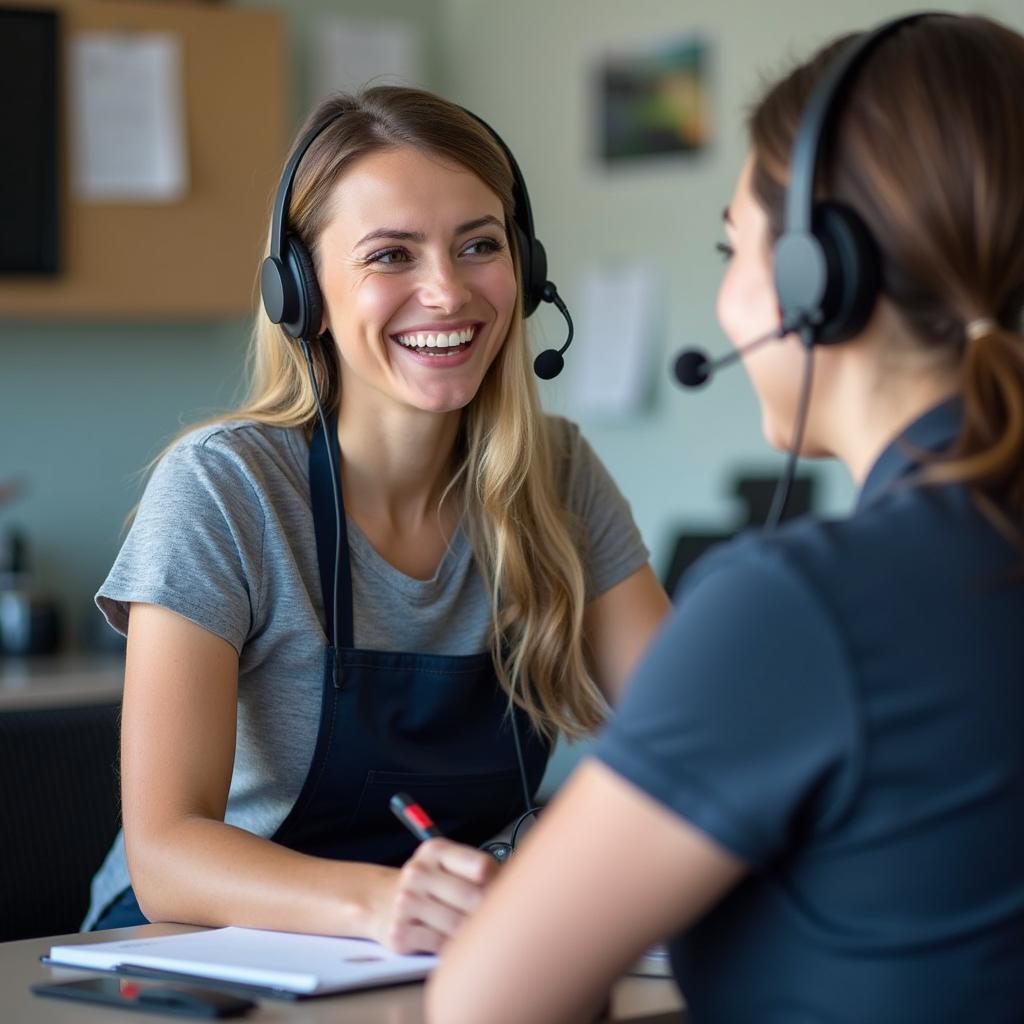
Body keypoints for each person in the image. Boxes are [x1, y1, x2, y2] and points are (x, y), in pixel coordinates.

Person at [428, 13, 1024, 1023]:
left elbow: (484, 1002)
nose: (727, 302)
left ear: (817, 281)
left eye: (731, 247)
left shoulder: (801, 609)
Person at [82, 86, 670, 951]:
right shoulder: (224, 490)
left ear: (526, 269)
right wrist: (384, 903)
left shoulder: (559, 475)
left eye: (479, 244)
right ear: (302, 293)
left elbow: (694, 741)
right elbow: (166, 856)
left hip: (443, 954)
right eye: (390, 255)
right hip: (190, 956)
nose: (446, 292)